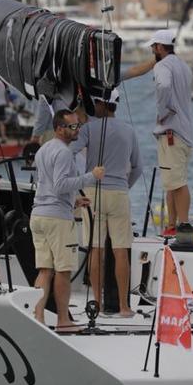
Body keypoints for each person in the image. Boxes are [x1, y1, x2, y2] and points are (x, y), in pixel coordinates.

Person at [69, 89, 142, 317]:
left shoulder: (89, 128)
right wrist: (124, 186)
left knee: (96, 250)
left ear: (101, 104)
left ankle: (97, 304)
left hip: (94, 192)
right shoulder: (129, 131)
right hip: (120, 192)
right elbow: (138, 167)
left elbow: (69, 151)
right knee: (121, 250)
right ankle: (123, 306)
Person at [31, 109, 105, 332]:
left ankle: (38, 316)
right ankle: (63, 320)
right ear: (59, 128)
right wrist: (92, 176)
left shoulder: (43, 150)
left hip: (39, 214)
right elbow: (60, 185)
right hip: (57, 220)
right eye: (72, 126)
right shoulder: (63, 153)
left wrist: (73, 201)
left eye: (78, 126)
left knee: (44, 270)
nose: (77, 130)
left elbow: (50, 187)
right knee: (63, 270)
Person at [150, 29, 193, 237]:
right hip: (184, 132)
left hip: (171, 134)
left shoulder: (162, 66)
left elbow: (165, 85)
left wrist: (162, 112)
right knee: (171, 182)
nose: (152, 50)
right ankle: (172, 225)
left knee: (177, 182)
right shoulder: (184, 67)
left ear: (159, 47)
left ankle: (183, 226)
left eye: (153, 47)